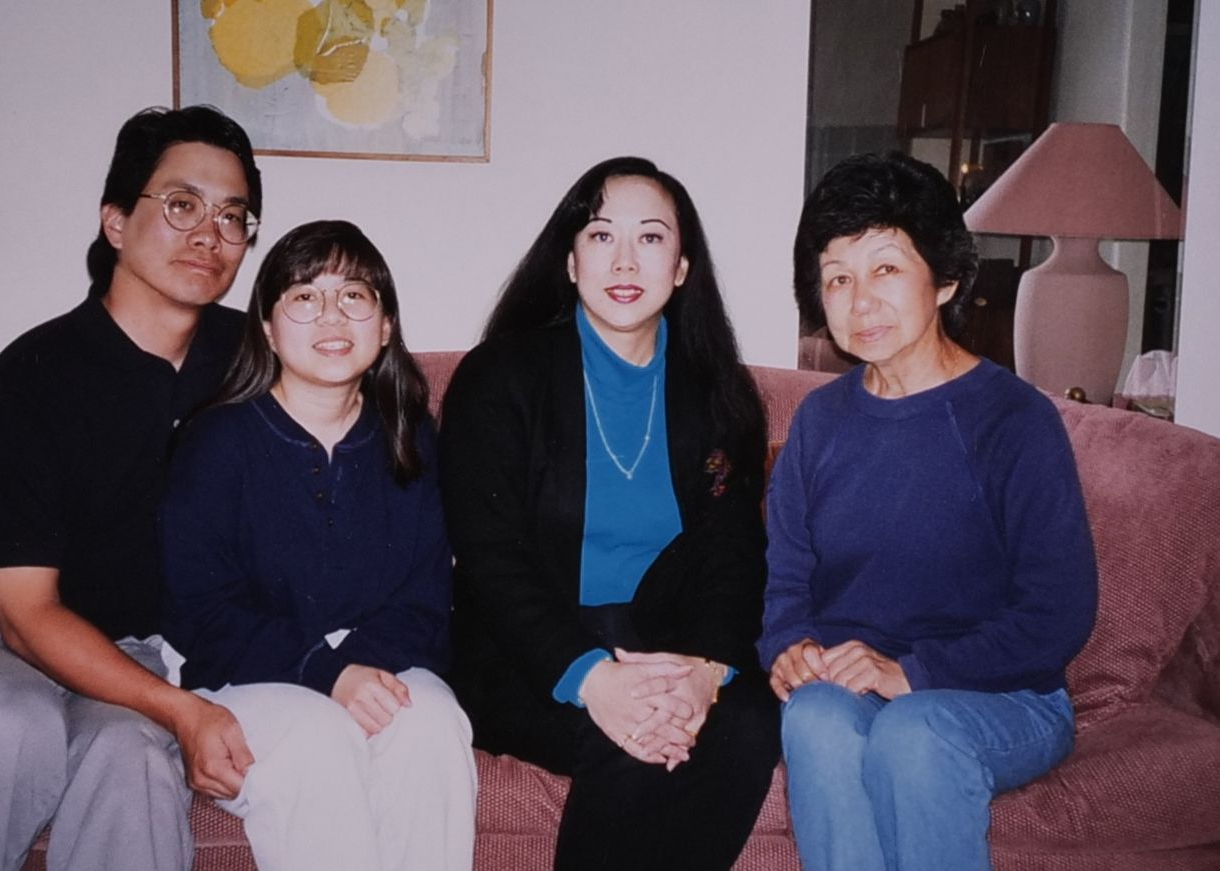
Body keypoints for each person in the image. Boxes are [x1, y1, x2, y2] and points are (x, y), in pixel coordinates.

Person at [0, 105, 264, 871]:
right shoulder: (32, 376)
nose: (209, 234)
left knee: (133, 755)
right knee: (5, 724)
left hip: (137, 652)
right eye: (182, 204)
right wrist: (181, 708)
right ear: (116, 222)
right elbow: (26, 617)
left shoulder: (254, 362)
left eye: (232, 216)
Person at [439, 156, 782, 871]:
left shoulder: (717, 392)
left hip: (671, 647)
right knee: (627, 744)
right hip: (527, 656)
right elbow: (491, 559)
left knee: (749, 723)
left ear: (681, 268)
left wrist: (705, 672)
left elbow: (732, 552)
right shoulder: (499, 376)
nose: (625, 260)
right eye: (601, 236)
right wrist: (593, 679)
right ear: (570, 261)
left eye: (650, 237)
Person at [759, 152, 1098, 871]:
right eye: (838, 278)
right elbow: (785, 578)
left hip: (1004, 694)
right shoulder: (819, 422)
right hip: (854, 688)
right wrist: (788, 645)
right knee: (813, 716)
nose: (860, 302)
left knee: (913, 733)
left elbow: (1058, 612)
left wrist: (911, 671)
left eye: (885, 268)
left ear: (944, 279)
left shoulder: (1013, 420)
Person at [158, 220, 476, 871]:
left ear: (384, 326)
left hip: (380, 660)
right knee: (317, 737)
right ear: (268, 329)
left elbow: (425, 595)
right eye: (305, 296)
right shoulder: (217, 441)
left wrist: (354, 670)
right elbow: (200, 611)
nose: (331, 315)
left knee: (432, 726)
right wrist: (326, 675)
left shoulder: (409, 436)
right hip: (241, 676)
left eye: (354, 295)